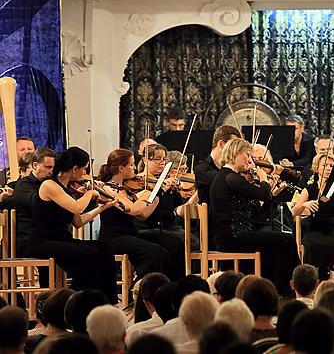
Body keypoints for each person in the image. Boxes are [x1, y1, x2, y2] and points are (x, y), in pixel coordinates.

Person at [24, 147, 118, 303]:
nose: (84, 174)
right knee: (89, 254)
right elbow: (77, 207)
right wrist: (90, 193)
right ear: (75, 169)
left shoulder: (67, 190)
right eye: (84, 169)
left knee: (104, 248)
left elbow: (78, 222)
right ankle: (78, 301)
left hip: (61, 239)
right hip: (42, 242)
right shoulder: (49, 185)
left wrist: (101, 208)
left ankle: (108, 301)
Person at [210, 138, 300, 295]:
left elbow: (255, 211)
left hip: (236, 235)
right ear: (236, 153)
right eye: (247, 155)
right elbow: (262, 194)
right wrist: (264, 179)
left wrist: (272, 194)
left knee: (279, 243)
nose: (250, 161)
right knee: (286, 240)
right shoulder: (229, 177)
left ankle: (280, 289)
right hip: (232, 237)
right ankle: (289, 289)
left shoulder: (232, 177)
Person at [97, 148, 184, 280]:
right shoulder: (109, 188)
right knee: (156, 253)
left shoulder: (126, 189)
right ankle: (140, 288)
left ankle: (174, 286)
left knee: (174, 242)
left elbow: (143, 215)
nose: (134, 168)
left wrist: (157, 193)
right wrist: (150, 194)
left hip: (131, 233)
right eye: (131, 165)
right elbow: (133, 209)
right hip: (114, 237)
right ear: (121, 168)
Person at [291, 152, 334, 277]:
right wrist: (305, 205)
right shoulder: (309, 189)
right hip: (314, 227)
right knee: (312, 244)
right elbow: (295, 212)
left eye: (331, 166)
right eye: (325, 165)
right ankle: (310, 280)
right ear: (316, 168)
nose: (328, 168)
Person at [12, 147, 55, 257]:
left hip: (47, 238)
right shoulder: (23, 185)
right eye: (48, 167)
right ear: (35, 166)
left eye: (53, 168)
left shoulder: (51, 184)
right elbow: (38, 205)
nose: (51, 172)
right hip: (29, 241)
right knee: (84, 252)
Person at [194, 125, 241, 204]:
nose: (236, 152)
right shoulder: (202, 168)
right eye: (233, 146)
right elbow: (223, 181)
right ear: (221, 144)